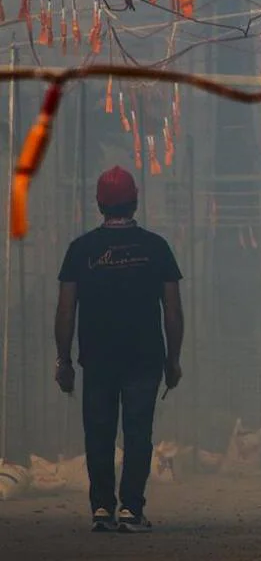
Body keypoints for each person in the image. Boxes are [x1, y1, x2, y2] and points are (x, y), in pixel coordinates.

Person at [53, 166, 185, 533]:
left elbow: (66, 309)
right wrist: (173, 359)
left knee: (98, 432)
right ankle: (131, 509)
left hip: (97, 358)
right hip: (145, 358)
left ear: (99, 204)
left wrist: (63, 361)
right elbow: (172, 309)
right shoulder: (156, 248)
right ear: (136, 201)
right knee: (138, 432)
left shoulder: (81, 250)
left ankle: (101, 509)